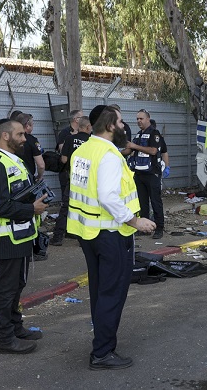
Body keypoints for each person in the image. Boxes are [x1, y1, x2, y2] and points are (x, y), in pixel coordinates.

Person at [67, 106, 156, 370]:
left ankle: (102, 344)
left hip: (89, 233)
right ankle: (103, 352)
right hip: (110, 234)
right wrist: (135, 220)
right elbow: (107, 196)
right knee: (111, 293)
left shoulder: (82, 150)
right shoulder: (108, 154)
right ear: (109, 125)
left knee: (99, 292)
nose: (123, 125)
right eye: (119, 121)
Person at [0, 119, 48, 353]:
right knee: (6, 289)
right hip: (5, 238)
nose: (24, 138)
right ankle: (4, 339)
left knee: (17, 284)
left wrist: (36, 200)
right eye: (20, 134)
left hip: (20, 235)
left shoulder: (15, 160)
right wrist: (32, 209)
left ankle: (15, 327)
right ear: (6, 136)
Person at [51, 116, 92, 246]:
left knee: (66, 207)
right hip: (88, 180)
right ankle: (84, 237)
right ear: (87, 127)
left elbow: (63, 159)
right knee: (85, 208)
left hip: (74, 178)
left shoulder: (70, 139)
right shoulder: (92, 141)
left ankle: (58, 237)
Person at [124, 109, 165, 239]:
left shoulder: (154, 133)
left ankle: (159, 228)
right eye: (137, 119)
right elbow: (129, 150)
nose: (138, 121)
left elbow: (153, 151)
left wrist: (134, 146)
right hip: (139, 173)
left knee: (155, 201)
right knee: (142, 203)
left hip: (152, 173)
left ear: (148, 119)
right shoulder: (138, 135)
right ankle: (144, 227)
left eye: (141, 119)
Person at [15, 113, 45, 181]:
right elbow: (41, 165)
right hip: (27, 178)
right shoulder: (32, 140)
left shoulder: (11, 139)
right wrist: (39, 176)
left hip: (12, 177)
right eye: (33, 124)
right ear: (27, 126)